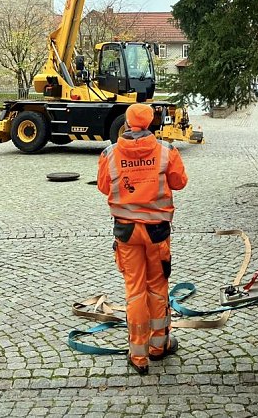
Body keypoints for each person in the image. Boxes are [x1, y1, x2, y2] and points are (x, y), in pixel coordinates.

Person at [97, 102, 188, 375]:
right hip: (157, 233)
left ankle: (138, 355)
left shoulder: (110, 154)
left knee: (135, 291)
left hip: (126, 233)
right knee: (157, 287)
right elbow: (180, 182)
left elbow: (103, 187)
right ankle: (158, 346)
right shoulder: (166, 152)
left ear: (126, 123)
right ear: (151, 123)